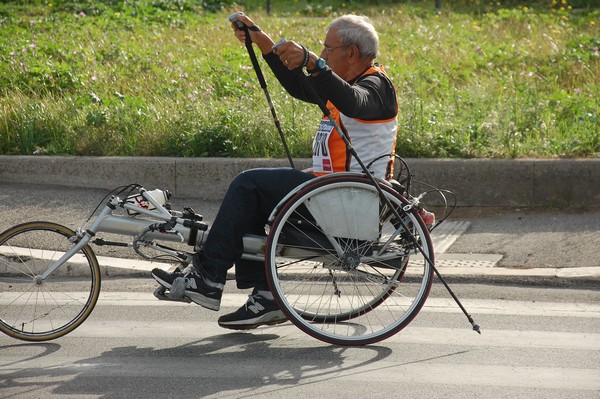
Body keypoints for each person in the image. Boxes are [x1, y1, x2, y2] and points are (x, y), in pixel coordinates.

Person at [152, 12, 399, 330]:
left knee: (249, 184)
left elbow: (355, 103)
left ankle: (208, 277)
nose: (324, 54)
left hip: (349, 202)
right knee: (254, 196)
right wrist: (262, 41)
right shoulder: (346, 83)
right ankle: (267, 296)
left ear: (351, 53)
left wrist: (313, 61)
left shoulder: (376, 87)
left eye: (328, 49)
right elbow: (300, 87)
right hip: (330, 195)